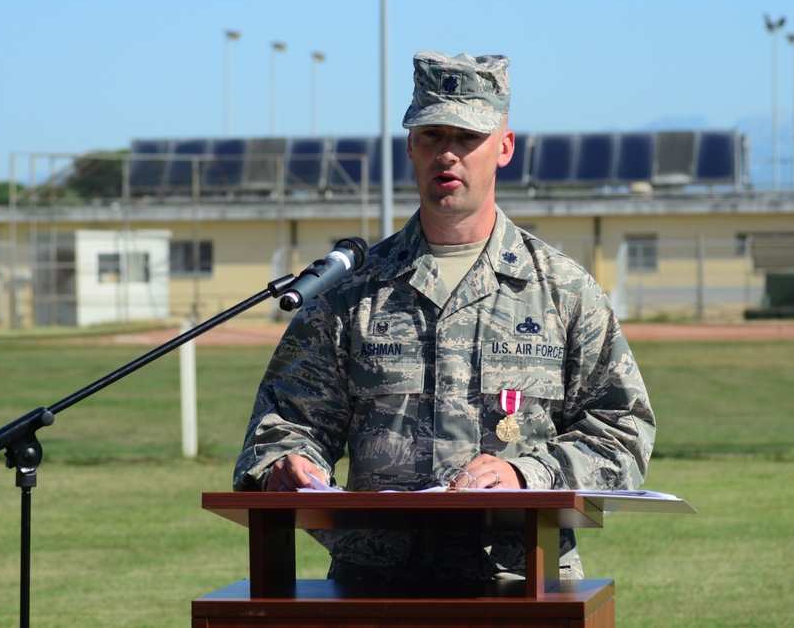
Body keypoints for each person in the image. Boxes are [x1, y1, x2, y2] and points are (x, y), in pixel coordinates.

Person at [234, 49, 656, 581]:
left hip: (521, 584)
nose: (447, 155)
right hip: (377, 587)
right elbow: (286, 422)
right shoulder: (350, 294)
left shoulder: (564, 291)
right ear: (410, 146)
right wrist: (286, 464)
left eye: (467, 138)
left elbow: (621, 431)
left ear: (503, 147)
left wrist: (526, 474)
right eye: (432, 135)